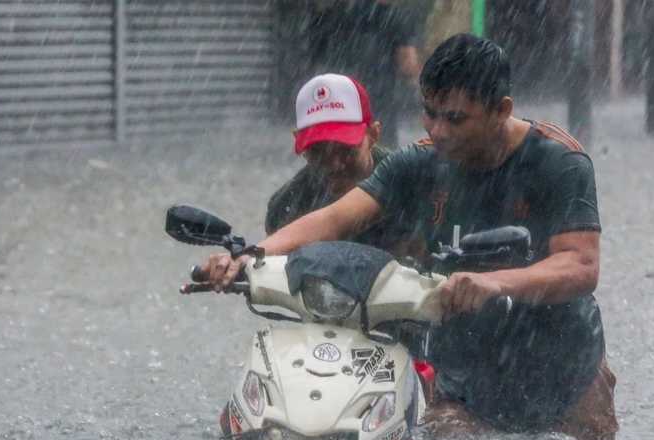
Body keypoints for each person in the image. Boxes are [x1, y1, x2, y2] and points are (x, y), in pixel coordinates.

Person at [205, 33, 618, 439]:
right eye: (429, 112)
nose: (438, 130)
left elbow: (581, 264)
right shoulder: (418, 163)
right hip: (462, 378)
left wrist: (494, 282)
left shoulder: (558, 161)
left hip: (565, 371)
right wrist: (248, 255)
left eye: (455, 118)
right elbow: (334, 218)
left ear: (500, 109)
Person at [265, 72, 409, 253]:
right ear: (297, 140)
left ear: (373, 135)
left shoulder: (411, 186)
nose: (334, 165)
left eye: (346, 150)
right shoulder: (286, 206)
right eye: (318, 152)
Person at [308, 0, 422, 148]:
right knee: (380, 159)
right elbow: (407, 64)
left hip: (339, 102)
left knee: (342, 156)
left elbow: (318, 54)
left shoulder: (340, 12)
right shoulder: (393, 16)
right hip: (378, 104)